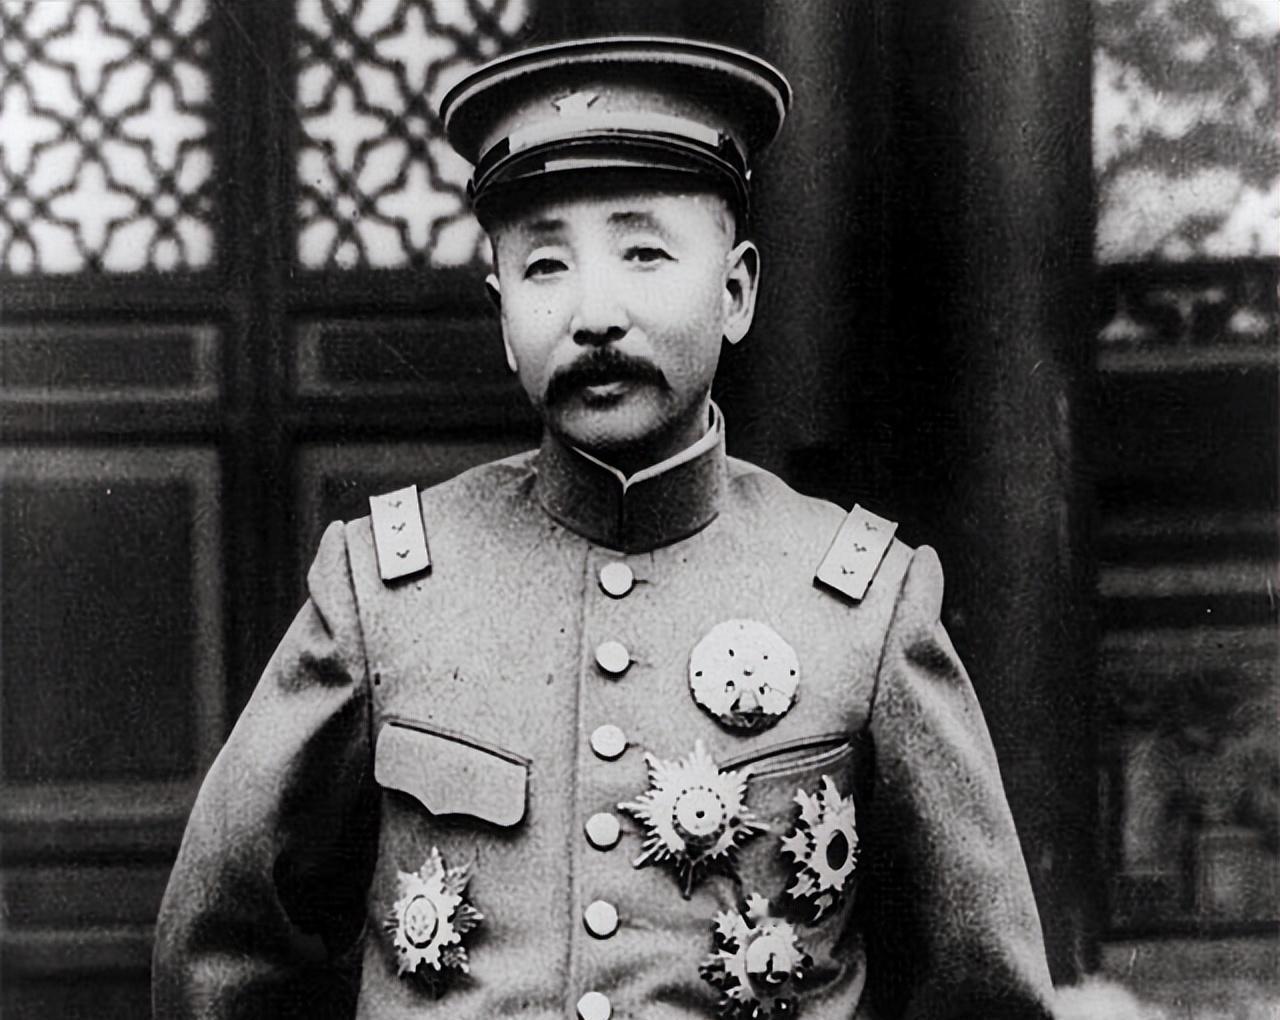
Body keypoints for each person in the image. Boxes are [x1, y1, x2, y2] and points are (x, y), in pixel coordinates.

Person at [154, 35, 1057, 1020]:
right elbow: (225, 951)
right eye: (545, 266)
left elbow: (981, 993)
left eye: (644, 253)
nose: (594, 314)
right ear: (503, 317)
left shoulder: (860, 602)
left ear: (736, 292)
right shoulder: (385, 588)